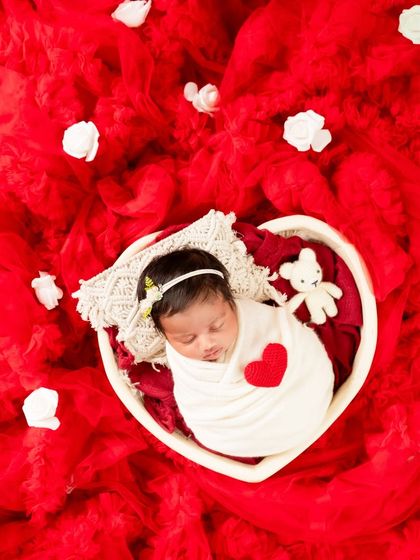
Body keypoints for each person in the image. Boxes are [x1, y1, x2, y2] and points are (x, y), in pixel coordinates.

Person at [137, 248, 334, 458]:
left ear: (231, 303)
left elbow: (289, 339)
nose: (206, 344)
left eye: (216, 326)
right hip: (238, 432)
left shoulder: (255, 318)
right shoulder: (182, 361)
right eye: (188, 339)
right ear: (166, 336)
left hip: (301, 396)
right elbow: (200, 402)